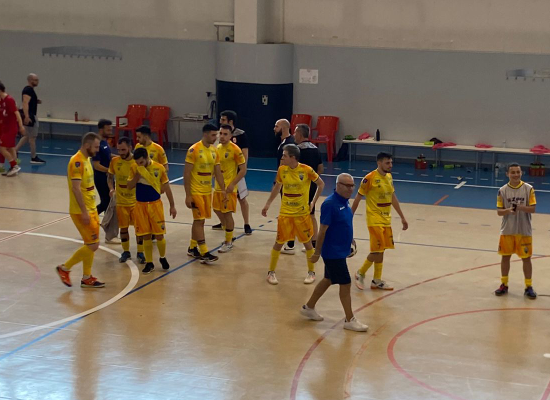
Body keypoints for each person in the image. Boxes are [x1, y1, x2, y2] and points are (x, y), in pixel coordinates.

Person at [300, 173, 368, 332]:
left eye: (352, 186)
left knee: (328, 279)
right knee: (345, 283)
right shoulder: (330, 204)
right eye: (347, 185)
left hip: (340, 250)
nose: (351, 189)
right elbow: (322, 230)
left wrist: (350, 239)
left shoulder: (345, 202)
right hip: (332, 253)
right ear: (338, 185)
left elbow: (345, 223)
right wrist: (317, 252)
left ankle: (309, 307)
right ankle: (349, 319)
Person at [262, 144, 325, 285]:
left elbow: (321, 184)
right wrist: (268, 204)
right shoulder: (282, 170)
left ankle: (311, 272)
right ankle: (271, 272)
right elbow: (277, 187)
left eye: (284, 155)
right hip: (285, 213)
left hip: (301, 214)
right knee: (278, 243)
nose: (282, 158)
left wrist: (313, 202)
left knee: (307, 243)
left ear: (293, 157)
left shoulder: (306, 170)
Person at [352, 152, 408, 291]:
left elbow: (392, 197)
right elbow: (358, 197)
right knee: (376, 250)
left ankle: (376, 280)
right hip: (374, 219)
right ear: (379, 163)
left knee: (381, 250)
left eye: (391, 162)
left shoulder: (389, 177)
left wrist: (402, 217)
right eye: (387, 163)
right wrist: (349, 216)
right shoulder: (369, 178)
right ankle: (360, 273)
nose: (390, 165)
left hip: (386, 219)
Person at [55, 133, 105, 288]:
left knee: (90, 243)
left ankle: (87, 277)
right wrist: (84, 211)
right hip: (81, 210)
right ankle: (64, 268)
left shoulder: (87, 159)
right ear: (87, 145)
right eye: (95, 147)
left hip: (91, 207)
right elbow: (76, 189)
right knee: (93, 245)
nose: (97, 150)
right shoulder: (76, 162)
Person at [127, 147, 177, 274]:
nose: (139, 165)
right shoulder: (134, 168)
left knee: (159, 234)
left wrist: (172, 205)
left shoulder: (159, 168)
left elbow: (166, 187)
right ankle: (149, 262)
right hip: (140, 206)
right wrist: (137, 176)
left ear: (147, 157)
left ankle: (162, 257)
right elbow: (129, 186)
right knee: (146, 235)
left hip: (155, 205)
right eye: (137, 163)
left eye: (141, 162)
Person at [184, 124, 226, 264]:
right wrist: (188, 195)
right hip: (196, 191)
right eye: (213, 135)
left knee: (199, 220)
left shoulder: (214, 150)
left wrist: (223, 190)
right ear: (205, 134)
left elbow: (218, 172)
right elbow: (187, 174)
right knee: (200, 220)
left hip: (207, 192)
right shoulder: (194, 150)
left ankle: (192, 247)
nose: (216, 138)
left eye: (216, 135)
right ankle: (204, 252)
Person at [494, 163, 537, 299]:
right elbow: (499, 212)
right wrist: (508, 210)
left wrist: (519, 207)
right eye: (513, 172)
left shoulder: (528, 189)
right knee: (505, 257)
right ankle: (504, 284)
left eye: (518, 172)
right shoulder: (502, 190)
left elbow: (533, 209)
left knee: (526, 258)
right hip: (508, 230)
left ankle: (528, 286)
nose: (516, 175)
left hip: (524, 230)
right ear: (507, 174)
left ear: (521, 173)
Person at [212, 110, 252, 235]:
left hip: (236, 173)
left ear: (230, 121)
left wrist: (241, 171)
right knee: (219, 205)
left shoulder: (241, 134)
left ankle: (246, 223)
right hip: (222, 176)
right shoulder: (219, 136)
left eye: (223, 119)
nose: (220, 121)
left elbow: (244, 154)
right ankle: (224, 223)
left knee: (242, 199)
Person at [108, 137, 145, 264]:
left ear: (130, 147)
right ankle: (126, 252)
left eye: (123, 150)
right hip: (121, 202)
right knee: (123, 229)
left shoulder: (137, 162)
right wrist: (111, 189)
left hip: (136, 202)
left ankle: (140, 252)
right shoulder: (114, 161)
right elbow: (110, 177)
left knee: (139, 229)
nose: (120, 153)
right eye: (118, 150)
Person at [213, 124, 247, 253]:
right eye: (220, 133)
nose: (222, 136)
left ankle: (228, 242)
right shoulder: (217, 148)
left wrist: (233, 184)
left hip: (229, 188)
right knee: (216, 209)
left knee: (227, 213)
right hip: (218, 186)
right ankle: (228, 231)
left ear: (231, 136)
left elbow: (243, 170)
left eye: (225, 134)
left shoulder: (235, 150)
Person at [294, 124, 323, 252]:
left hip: (300, 187)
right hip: (312, 185)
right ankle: (314, 240)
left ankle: (293, 241)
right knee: (311, 213)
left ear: (300, 134)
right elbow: (320, 168)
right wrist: (314, 178)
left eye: (295, 133)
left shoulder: (297, 150)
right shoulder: (315, 149)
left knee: (297, 214)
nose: (294, 135)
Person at [274, 119, 297, 254]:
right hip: (284, 179)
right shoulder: (283, 142)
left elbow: (287, 164)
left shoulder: (289, 144)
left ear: (283, 128)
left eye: (276, 126)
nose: (274, 128)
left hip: (288, 182)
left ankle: (291, 242)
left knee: (290, 212)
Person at [15, 73, 46, 164]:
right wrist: (27, 116)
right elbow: (25, 103)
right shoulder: (28, 90)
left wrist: (36, 101)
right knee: (32, 138)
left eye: (37, 80)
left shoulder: (30, 90)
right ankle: (33, 157)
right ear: (30, 80)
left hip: (31, 115)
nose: (37, 82)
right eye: (35, 80)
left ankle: (15, 151)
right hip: (31, 116)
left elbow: (29, 101)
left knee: (27, 136)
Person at [0, 81, 25, 177]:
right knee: (10, 148)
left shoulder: (9, 100)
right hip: (5, 128)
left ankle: (14, 165)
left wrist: (21, 126)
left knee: (2, 148)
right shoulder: (2, 101)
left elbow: (17, 113)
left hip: (10, 129)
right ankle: (13, 168)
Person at [92, 119, 114, 216]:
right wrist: (110, 171)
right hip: (101, 177)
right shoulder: (97, 144)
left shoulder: (105, 142)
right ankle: (90, 218)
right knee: (106, 202)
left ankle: (107, 222)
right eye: (108, 130)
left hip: (108, 176)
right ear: (101, 130)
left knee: (110, 201)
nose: (110, 132)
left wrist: (121, 158)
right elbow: (96, 165)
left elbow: (108, 155)